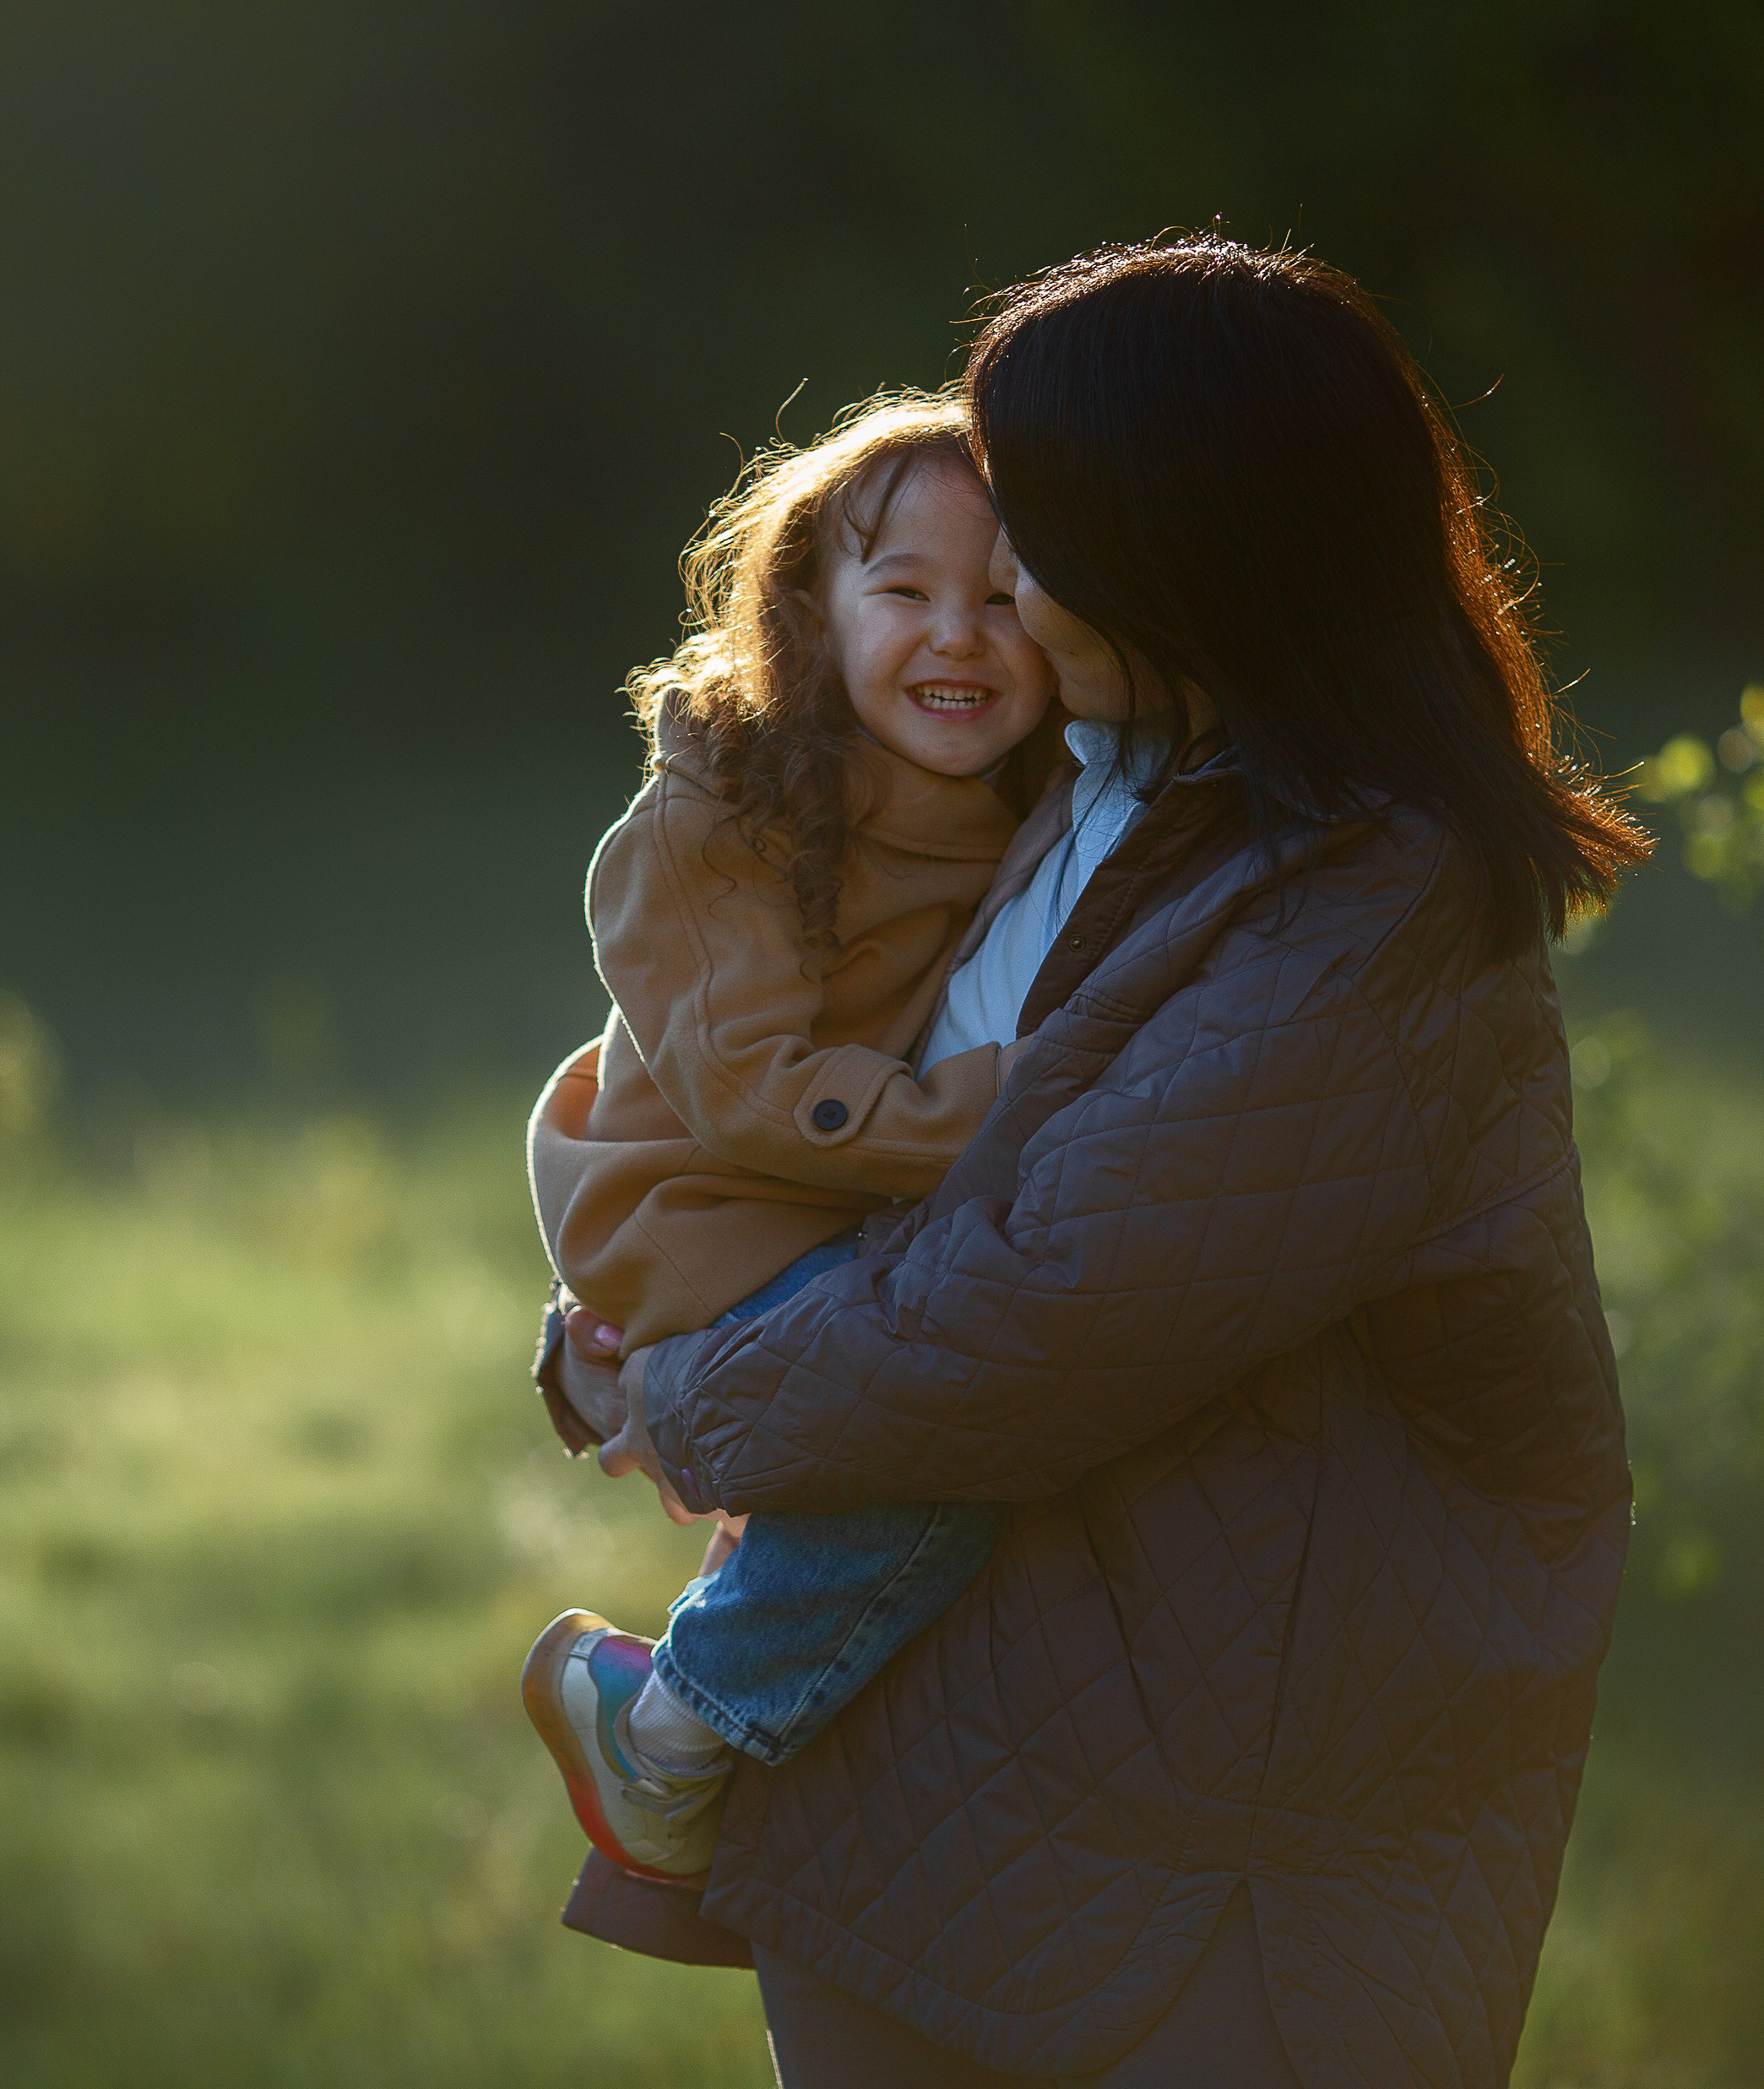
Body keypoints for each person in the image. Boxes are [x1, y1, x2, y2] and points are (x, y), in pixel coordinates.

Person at [544, 237, 1651, 2087]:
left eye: (1032, 542)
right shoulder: (1078, 774)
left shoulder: (1364, 906)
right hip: (926, 1792)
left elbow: (1030, 1313)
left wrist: (679, 1380)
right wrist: (630, 1291)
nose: (993, 598)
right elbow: (815, 1072)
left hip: (1197, 1865)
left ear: (1178, 551)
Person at [519, 390, 1065, 1881]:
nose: (960, 635)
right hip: (696, 1209)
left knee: (900, 1437)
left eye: (1006, 600)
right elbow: (758, 1088)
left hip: (813, 1210)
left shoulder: (1033, 797)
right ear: (810, 614)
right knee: (931, 1431)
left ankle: (743, 1630)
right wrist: (1021, 1103)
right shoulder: (734, 802)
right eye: (905, 594)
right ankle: (668, 1724)